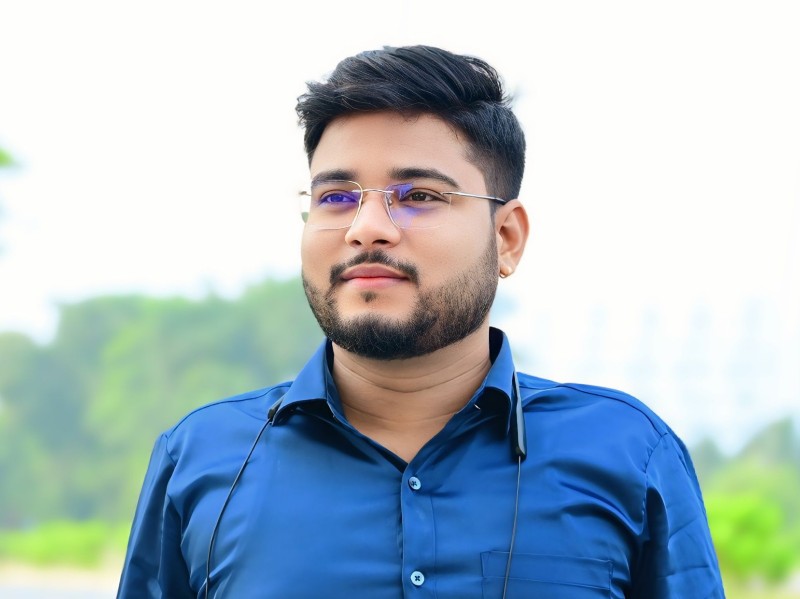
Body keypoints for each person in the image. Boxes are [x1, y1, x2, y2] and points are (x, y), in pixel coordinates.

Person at [117, 45, 725, 598]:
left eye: (419, 196)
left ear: (506, 237)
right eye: (336, 198)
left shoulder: (628, 454)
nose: (366, 228)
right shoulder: (201, 458)